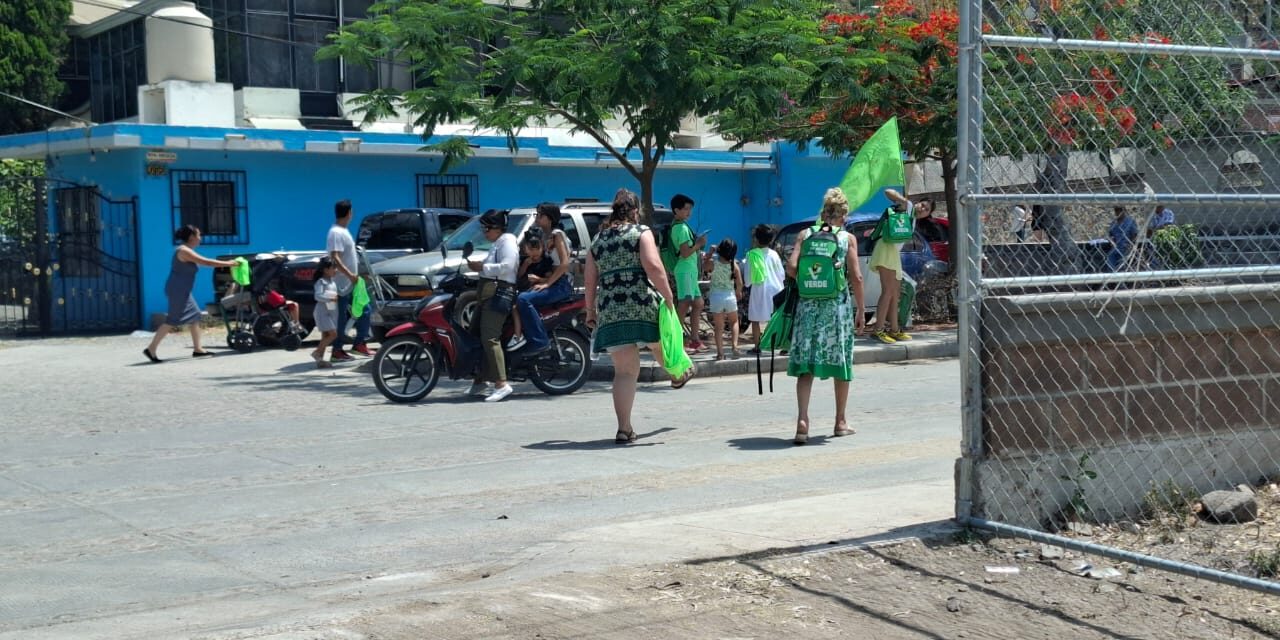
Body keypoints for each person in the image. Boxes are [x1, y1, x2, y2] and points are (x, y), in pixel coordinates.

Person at [585, 188, 691, 444]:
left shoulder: (598, 240)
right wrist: (668, 296)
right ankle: (678, 373)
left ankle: (624, 428)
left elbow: (590, 278)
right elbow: (654, 267)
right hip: (642, 303)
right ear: (635, 211)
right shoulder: (641, 233)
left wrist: (590, 310)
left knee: (624, 372)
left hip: (611, 309)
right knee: (659, 342)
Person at [785, 187, 865, 445]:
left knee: (806, 365)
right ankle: (840, 421)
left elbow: (792, 268)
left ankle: (802, 422)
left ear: (823, 213)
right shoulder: (846, 239)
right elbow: (857, 277)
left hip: (808, 308)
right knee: (841, 363)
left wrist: (810, 283)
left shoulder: (804, 235)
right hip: (836, 308)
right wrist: (861, 309)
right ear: (843, 215)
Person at [143, 225, 237, 363]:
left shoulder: (186, 250)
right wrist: (229, 263)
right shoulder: (184, 251)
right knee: (172, 321)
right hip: (178, 290)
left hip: (182, 290)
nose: (200, 238)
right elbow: (206, 262)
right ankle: (151, 349)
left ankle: (198, 349)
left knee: (195, 316)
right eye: (199, 235)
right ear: (192, 237)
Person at [465, 209, 520, 403]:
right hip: (488, 293)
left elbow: (508, 266)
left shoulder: (508, 241)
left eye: (486, 228)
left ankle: (501, 384)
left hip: (499, 294)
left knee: (490, 337)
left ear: (497, 228)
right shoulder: (497, 244)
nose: (484, 233)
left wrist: (483, 267)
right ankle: (480, 379)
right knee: (475, 334)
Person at [510, 202, 573, 352]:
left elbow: (564, 264)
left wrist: (547, 284)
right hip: (555, 281)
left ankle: (540, 340)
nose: (537, 217)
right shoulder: (546, 236)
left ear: (549, 218)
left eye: (540, 215)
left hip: (561, 284)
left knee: (524, 299)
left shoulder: (557, 235)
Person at [327, 199, 373, 361]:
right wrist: (349, 275)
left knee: (364, 309)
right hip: (341, 283)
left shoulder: (342, 231)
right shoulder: (336, 233)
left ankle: (359, 344)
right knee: (341, 318)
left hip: (351, 282)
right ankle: (337, 350)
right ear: (349, 213)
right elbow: (335, 257)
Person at [867, 188, 913, 344]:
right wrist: (904, 200)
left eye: (927, 209)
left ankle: (895, 330)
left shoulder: (915, 219)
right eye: (923, 205)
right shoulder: (908, 208)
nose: (923, 209)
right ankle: (878, 330)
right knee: (887, 292)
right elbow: (888, 192)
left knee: (895, 294)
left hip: (894, 254)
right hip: (886, 249)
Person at [669, 193, 708, 353]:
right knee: (684, 304)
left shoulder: (682, 227)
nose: (689, 212)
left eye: (690, 209)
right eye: (686, 209)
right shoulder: (681, 228)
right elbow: (685, 253)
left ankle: (694, 339)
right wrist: (699, 244)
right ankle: (678, 340)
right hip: (685, 271)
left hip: (689, 272)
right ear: (676, 210)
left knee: (698, 304)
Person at [508, 228, 554, 349]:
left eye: (537, 249)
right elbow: (518, 276)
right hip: (523, 291)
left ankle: (518, 335)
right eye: (531, 250)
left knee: (515, 306)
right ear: (525, 249)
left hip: (536, 291)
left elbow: (549, 279)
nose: (534, 253)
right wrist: (525, 265)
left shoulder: (546, 261)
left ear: (542, 247)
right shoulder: (523, 260)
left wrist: (538, 279)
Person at [745, 224, 785, 354]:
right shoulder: (774, 254)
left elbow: (748, 278)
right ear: (771, 240)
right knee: (777, 318)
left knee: (755, 319)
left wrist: (747, 284)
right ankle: (781, 345)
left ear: (756, 239)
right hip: (777, 289)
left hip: (759, 289)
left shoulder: (751, 255)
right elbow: (782, 274)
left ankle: (757, 347)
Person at [703, 238, 743, 360]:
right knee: (734, 322)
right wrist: (738, 292)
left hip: (716, 297)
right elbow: (739, 282)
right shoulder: (733, 264)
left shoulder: (713, 262)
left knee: (719, 327)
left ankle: (720, 353)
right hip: (729, 296)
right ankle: (734, 346)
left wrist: (709, 253)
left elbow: (704, 267)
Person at [310, 256, 340, 368]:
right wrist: (330, 298)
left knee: (326, 336)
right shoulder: (321, 282)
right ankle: (316, 353)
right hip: (322, 312)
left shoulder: (332, 282)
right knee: (333, 334)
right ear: (325, 269)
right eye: (333, 268)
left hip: (330, 312)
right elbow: (317, 296)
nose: (335, 270)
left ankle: (320, 361)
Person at [1107, 206, 1139, 272]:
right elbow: (1110, 235)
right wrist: (1111, 241)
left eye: (1119, 210)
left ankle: (1121, 276)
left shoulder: (1130, 222)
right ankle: (1112, 276)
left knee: (1123, 262)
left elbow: (1135, 235)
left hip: (1126, 247)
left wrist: (1131, 245)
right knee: (1110, 258)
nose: (1117, 212)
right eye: (1116, 211)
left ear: (1123, 211)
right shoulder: (1114, 223)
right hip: (1116, 247)